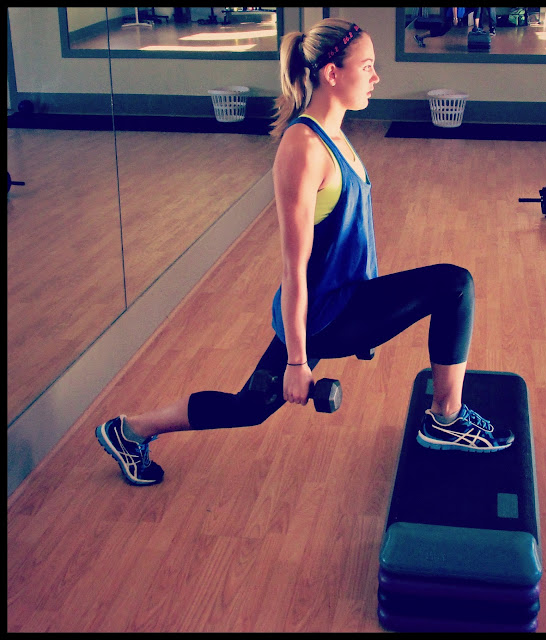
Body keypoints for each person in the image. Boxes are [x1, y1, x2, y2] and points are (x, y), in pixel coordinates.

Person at [95, 18, 514, 487]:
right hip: (325, 315)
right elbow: (294, 268)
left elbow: (345, 238)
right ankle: (445, 419)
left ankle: (130, 430)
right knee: (454, 285)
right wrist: (297, 361)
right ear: (332, 73)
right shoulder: (304, 147)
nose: (376, 77)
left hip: (345, 299)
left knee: (248, 407)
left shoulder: (334, 133)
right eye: (367, 67)